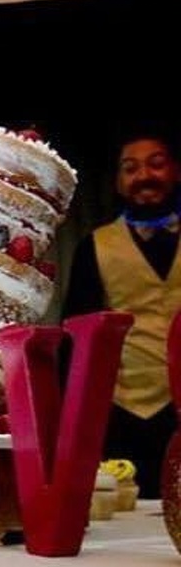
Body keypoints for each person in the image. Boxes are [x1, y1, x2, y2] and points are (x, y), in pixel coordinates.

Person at [63, 126, 181, 498]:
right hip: (126, 413)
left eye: (156, 164)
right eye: (131, 168)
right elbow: (77, 339)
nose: (144, 175)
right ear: (118, 182)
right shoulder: (94, 246)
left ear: (175, 171)